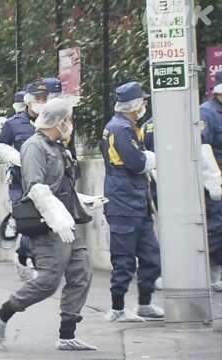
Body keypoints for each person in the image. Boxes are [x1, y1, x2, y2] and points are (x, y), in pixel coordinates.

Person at [0, 98, 96, 351]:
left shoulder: (58, 147)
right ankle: (4, 312)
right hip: (47, 226)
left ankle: (67, 334)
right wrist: (58, 219)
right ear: (58, 122)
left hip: (66, 223)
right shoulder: (34, 147)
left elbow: (63, 188)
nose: (70, 124)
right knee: (49, 282)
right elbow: (36, 188)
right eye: (68, 120)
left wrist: (84, 201)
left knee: (81, 273)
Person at [99, 82, 163, 321]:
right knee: (124, 259)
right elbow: (136, 163)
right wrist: (151, 158)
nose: (144, 105)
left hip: (136, 200)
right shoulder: (120, 128)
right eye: (142, 101)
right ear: (134, 104)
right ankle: (117, 309)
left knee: (151, 256)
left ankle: (144, 304)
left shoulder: (127, 125)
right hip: (123, 202)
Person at [0, 81, 48, 280]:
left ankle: (30, 257)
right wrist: (14, 156)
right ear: (28, 101)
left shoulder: (51, 121)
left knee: (43, 223)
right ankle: (26, 258)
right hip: (19, 181)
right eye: (37, 99)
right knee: (28, 220)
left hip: (45, 180)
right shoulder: (14, 124)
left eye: (44, 99)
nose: (41, 103)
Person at [200, 70, 222, 292]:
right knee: (216, 226)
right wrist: (214, 180)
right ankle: (214, 273)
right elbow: (203, 149)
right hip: (216, 177)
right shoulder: (206, 113)